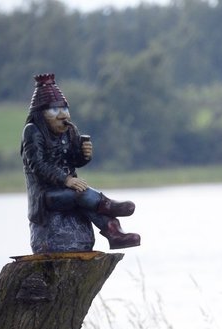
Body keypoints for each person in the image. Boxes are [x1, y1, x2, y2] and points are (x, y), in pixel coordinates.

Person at [22, 73, 140, 253]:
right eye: (54, 111)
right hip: (45, 195)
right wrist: (66, 180)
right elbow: (38, 165)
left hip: (67, 189)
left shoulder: (68, 130)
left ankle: (114, 232)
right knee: (82, 195)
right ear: (41, 114)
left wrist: (83, 155)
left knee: (83, 196)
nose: (62, 115)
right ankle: (109, 214)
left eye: (64, 109)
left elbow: (73, 161)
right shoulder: (32, 131)